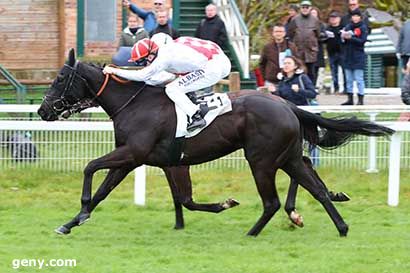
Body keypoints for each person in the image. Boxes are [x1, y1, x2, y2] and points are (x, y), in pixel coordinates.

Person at [102, 34, 231, 132]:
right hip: (218, 58)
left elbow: (143, 75)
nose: (143, 64)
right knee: (178, 81)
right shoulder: (171, 46)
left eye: (143, 61)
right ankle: (191, 99)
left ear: (151, 54)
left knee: (172, 89)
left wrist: (115, 71)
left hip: (213, 67)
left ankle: (196, 116)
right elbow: (159, 77)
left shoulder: (164, 57)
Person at [287, 0, 321, 84]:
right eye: (303, 7)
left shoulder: (315, 20)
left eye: (307, 7)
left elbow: (317, 34)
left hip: (311, 51)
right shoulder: (295, 19)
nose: (305, 9)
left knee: (311, 73)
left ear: (310, 8)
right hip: (298, 51)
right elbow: (290, 34)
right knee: (299, 71)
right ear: (300, 8)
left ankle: (311, 90)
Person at [259, 23, 298, 92]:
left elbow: (297, 62)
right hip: (271, 82)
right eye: (276, 31)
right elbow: (262, 63)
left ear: (284, 33)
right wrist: (264, 78)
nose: (278, 34)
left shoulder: (291, 47)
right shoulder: (267, 47)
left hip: (287, 81)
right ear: (273, 33)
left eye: (281, 32)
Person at [340, 9, 368, 105]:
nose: (355, 18)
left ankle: (360, 99)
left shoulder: (363, 27)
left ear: (360, 17)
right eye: (353, 16)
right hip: (348, 56)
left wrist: (351, 38)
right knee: (349, 79)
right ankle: (350, 98)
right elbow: (342, 42)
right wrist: (343, 37)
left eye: (357, 16)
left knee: (359, 79)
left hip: (358, 57)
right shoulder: (348, 27)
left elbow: (362, 41)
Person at [325, 11, 346, 94]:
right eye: (332, 18)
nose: (333, 19)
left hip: (342, 52)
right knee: (334, 73)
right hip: (331, 53)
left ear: (339, 19)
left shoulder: (343, 28)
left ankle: (346, 89)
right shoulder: (327, 29)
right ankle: (336, 88)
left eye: (335, 18)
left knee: (344, 72)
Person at [310, 7, 327, 89]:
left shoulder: (321, 25)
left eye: (314, 13)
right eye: (312, 13)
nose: (313, 15)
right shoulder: (305, 24)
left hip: (318, 49)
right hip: (307, 50)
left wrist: (319, 36)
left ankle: (313, 86)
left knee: (316, 69)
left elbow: (325, 36)